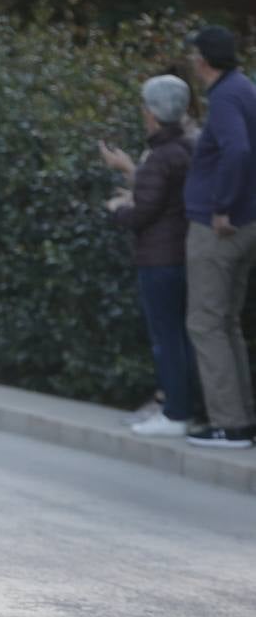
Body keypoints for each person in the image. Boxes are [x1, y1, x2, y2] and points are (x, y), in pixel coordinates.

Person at [101, 76, 198, 437]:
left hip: (160, 258)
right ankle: (182, 406)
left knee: (166, 337)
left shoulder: (162, 156)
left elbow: (145, 212)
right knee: (180, 335)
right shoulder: (187, 147)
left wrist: (116, 209)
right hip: (183, 252)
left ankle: (175, 412)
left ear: (153, 113)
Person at [182, 26, 256, 449]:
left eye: (194, 55)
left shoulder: (225, 96)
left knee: (206, 322)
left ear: (203, 61)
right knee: (225, 322)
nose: (193, 62)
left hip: (221, 229)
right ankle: (241, 419)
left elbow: (239, 150)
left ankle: (229, 423)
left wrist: (223, 204)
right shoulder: (243, 87)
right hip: (246, 222)